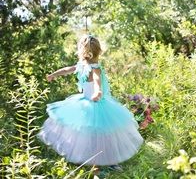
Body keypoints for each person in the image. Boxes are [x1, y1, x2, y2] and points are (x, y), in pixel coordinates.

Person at [37, 34, 144, 171]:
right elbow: (68, 71)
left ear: (83, 52)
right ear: (98, 52)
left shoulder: (92, 68)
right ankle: (97, 159)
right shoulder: (84, 66)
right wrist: (54, 74)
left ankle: (109, 161)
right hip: (89, 102)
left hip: (97, 103)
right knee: (100, 134)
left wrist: (97, 93)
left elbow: (96, 83)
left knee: (96, 134)